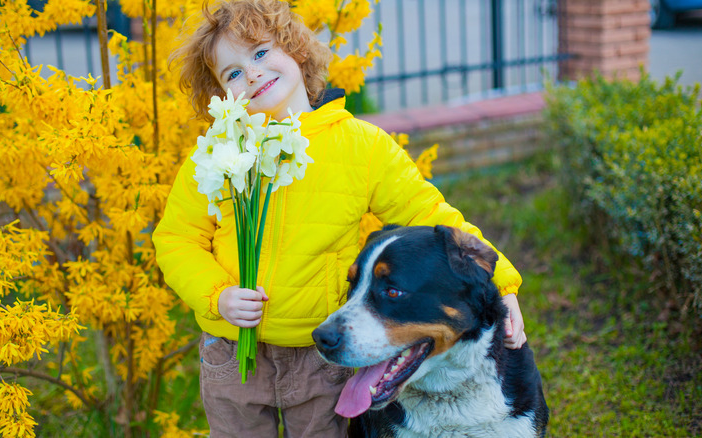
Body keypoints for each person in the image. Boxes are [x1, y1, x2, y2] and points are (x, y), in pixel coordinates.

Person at [154, 0, 527, 436]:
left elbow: (432, 216)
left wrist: (501, 282)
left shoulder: (361, 147)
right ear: (221, 95)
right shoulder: (215, 157)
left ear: (296, 51)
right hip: (233, 350)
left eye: (260, 53)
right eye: (232, 73)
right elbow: (177, 239)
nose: (251, 73)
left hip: (324, 353)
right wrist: (216, 295)